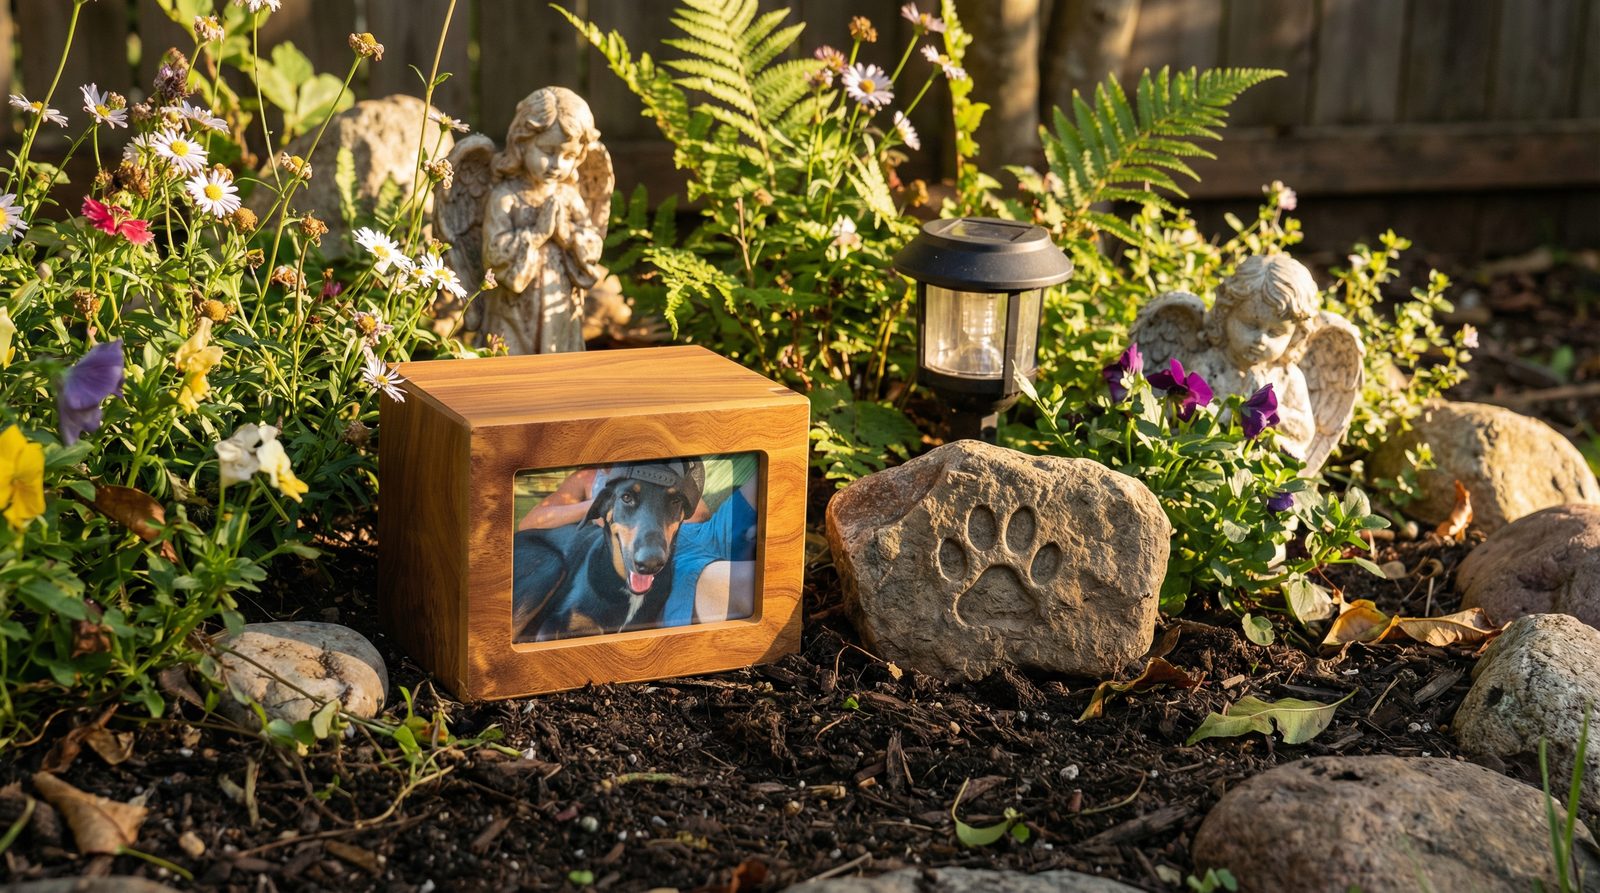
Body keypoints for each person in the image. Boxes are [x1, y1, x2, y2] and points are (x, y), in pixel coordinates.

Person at [480, 87, 607, 354]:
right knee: (510, 360)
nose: (557, 164)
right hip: (514, 307)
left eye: (569, 156)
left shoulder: (569, 197)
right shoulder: (506, 197)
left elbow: (593, 241)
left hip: (557, 300)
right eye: (548, 151)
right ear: (522, 142)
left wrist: (568, 235)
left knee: (559, 359)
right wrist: (537, 235)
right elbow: (492, 253)